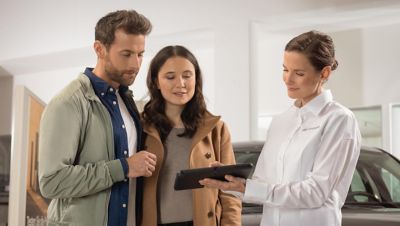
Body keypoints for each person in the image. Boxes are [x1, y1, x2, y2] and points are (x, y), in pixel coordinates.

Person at [200, 30, 361, 226]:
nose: (288, 79)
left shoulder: (339, 120)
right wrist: (228, 180)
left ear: (324, 73)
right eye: (285, 69)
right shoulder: (281, 121)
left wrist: (247, 187)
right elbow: (261, 184)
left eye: (299, 73)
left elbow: (316, 192)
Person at [38, 10, 157, 226]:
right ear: (99, 49)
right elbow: (51, 182)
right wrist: (124, 168)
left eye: (140, 54)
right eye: (126, 54)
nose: (136, 64)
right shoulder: (68, 103)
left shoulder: (127, 100)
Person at [140, 45, 242, 226]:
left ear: (196, 78)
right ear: (156, 81)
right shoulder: (140, 127)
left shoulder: (216, 129)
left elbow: (230, 192)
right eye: (170, 77)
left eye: (187, 75)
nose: (181, 84)